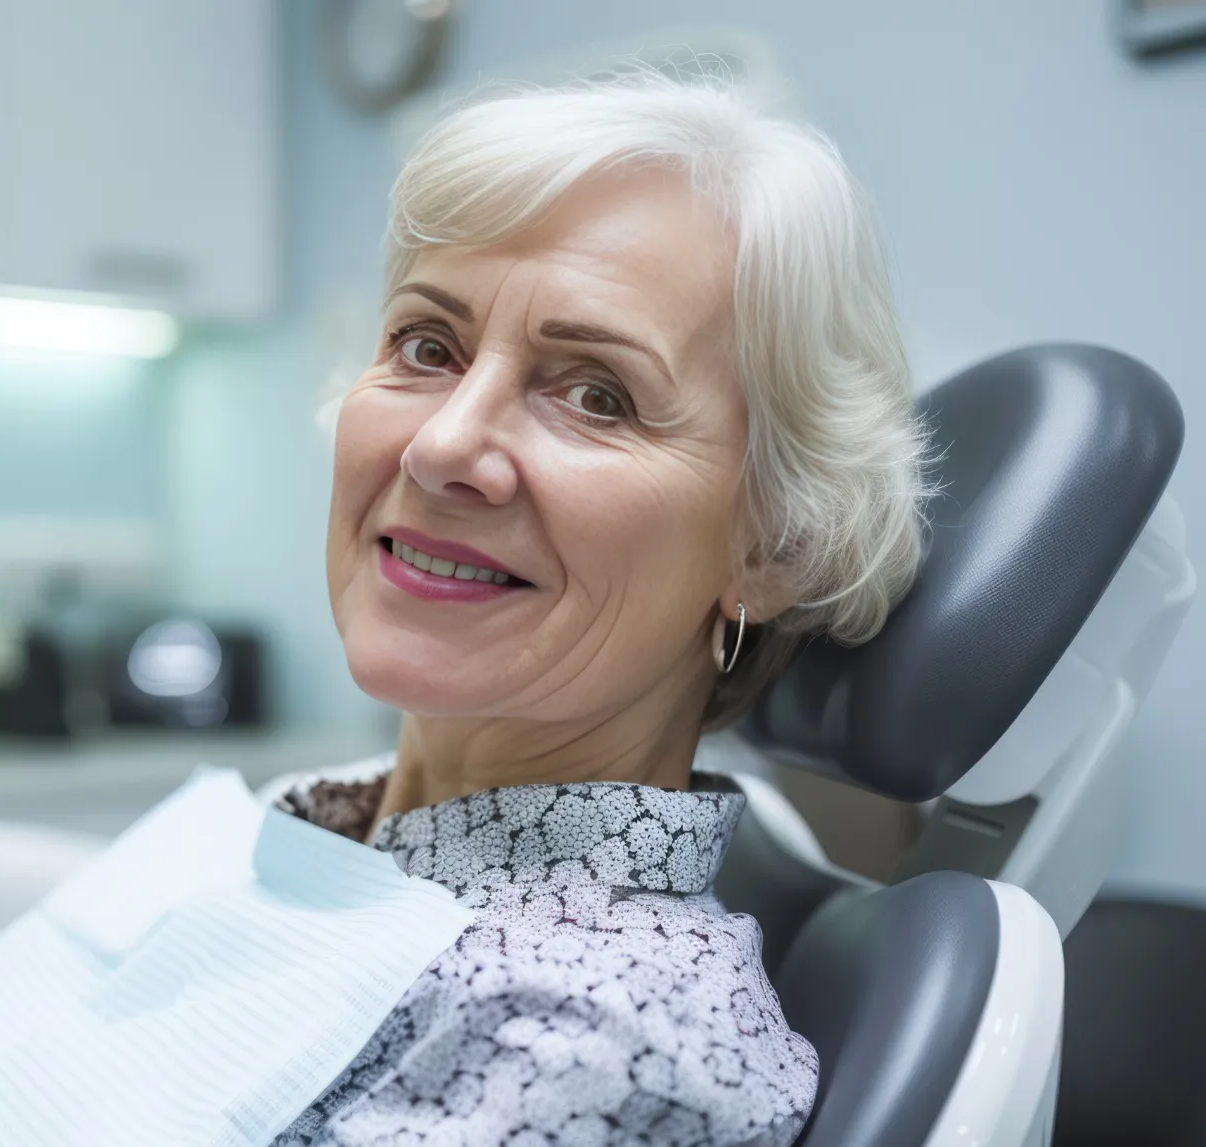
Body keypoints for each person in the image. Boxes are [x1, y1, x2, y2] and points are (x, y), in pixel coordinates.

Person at [265, 71, 930, 1146]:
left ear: (770, 545)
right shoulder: (334, 826)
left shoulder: (585, 1048)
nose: (441, 448)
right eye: (425, 347)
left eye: (594, 394)